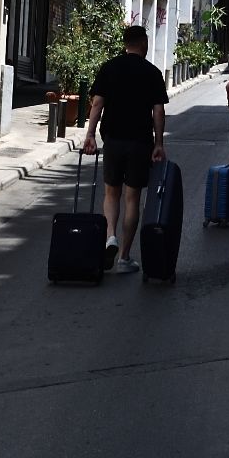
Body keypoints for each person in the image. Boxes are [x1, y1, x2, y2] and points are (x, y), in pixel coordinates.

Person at [80, 25, 169, 274]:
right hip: (140, 142)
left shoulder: (110, 68)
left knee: (111, 193)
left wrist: (89, 135)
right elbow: (158, 111)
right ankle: (125, 257)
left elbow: (97, 104)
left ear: (125, 44)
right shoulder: (151, 72)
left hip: (113, 139)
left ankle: (110, 237)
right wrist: (159, 143)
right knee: (132, 198)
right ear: (143, 43)